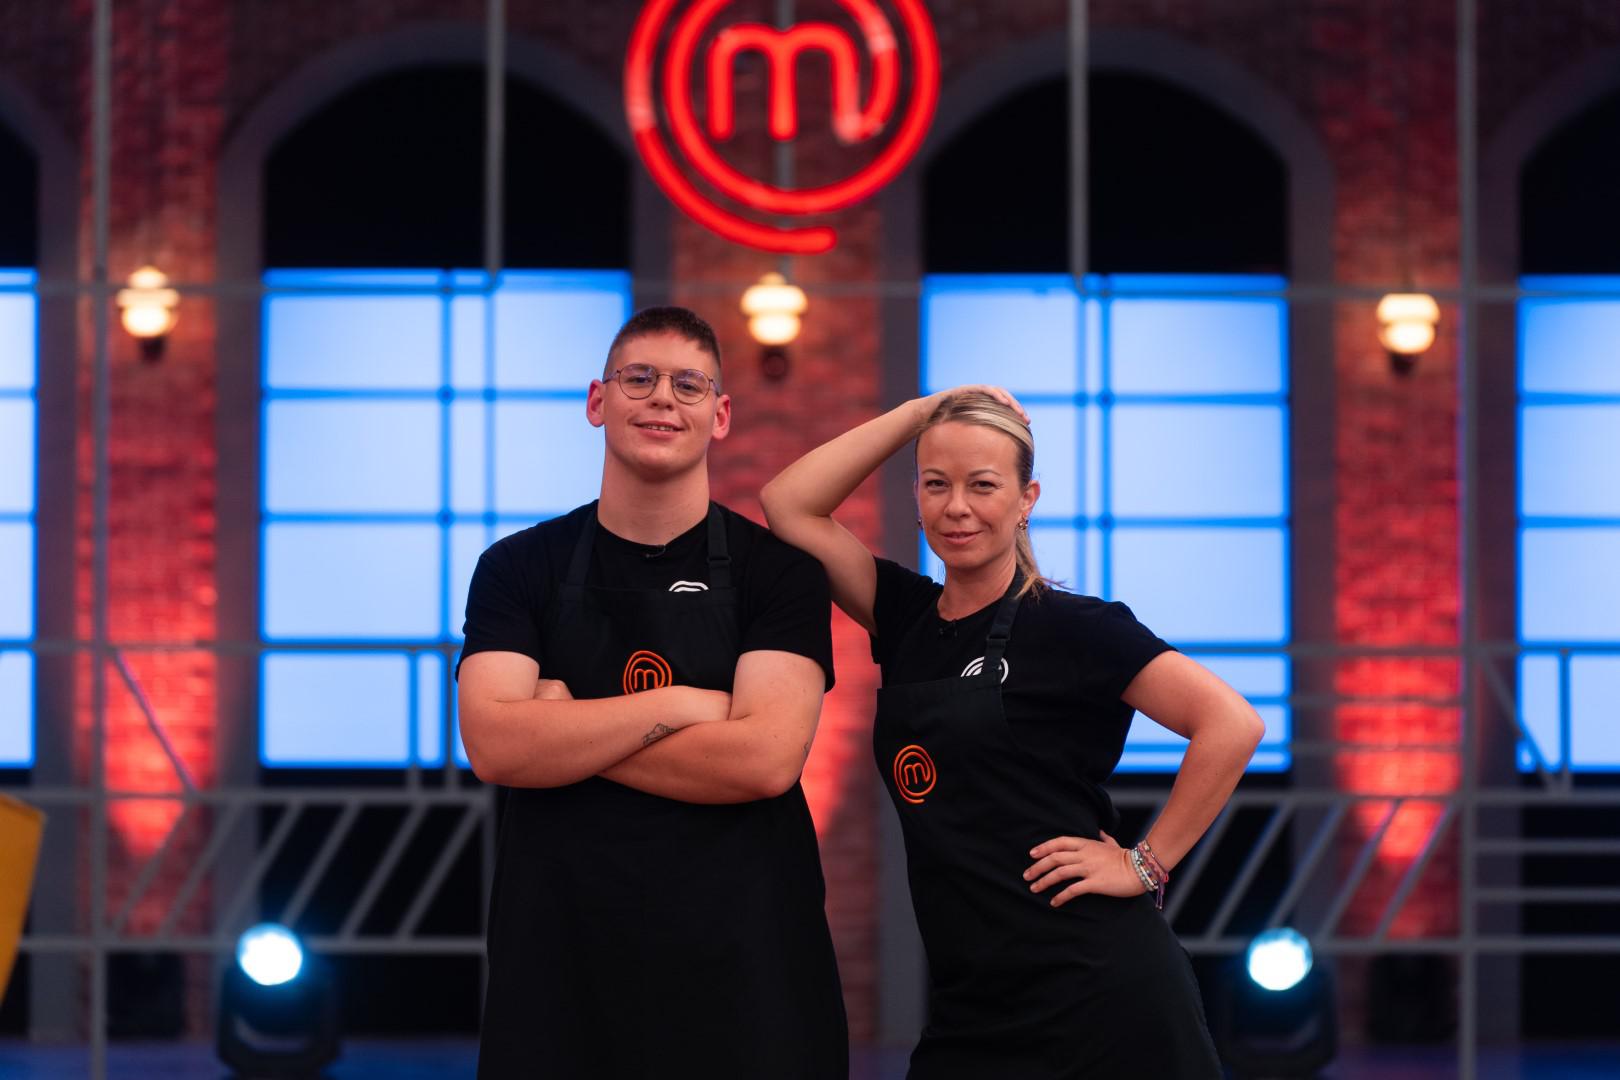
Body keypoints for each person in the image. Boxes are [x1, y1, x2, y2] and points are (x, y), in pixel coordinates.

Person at [760, 387, 1264, 1078]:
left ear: (1027, 499)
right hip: (974, 1002)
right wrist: (923, 412)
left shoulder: (1073, 626)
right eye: (936, 484)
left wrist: (1144, 863)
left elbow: (1231, 724)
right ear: (916, 496)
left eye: (983, 485)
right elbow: (789, 504)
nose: (956, 507)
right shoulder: (903, 617)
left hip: (1100, 993)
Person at [456, 307, 848, 1079]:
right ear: (597, 400)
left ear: (720, 414)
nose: (663, 397)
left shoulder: (780, 574)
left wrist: (563, 729)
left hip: (746, 964)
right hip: (562, 961)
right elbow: (495, 747)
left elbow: (765, 761)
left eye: (687, 384)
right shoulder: (518, 568)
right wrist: (680, 706)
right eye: (639, 378)